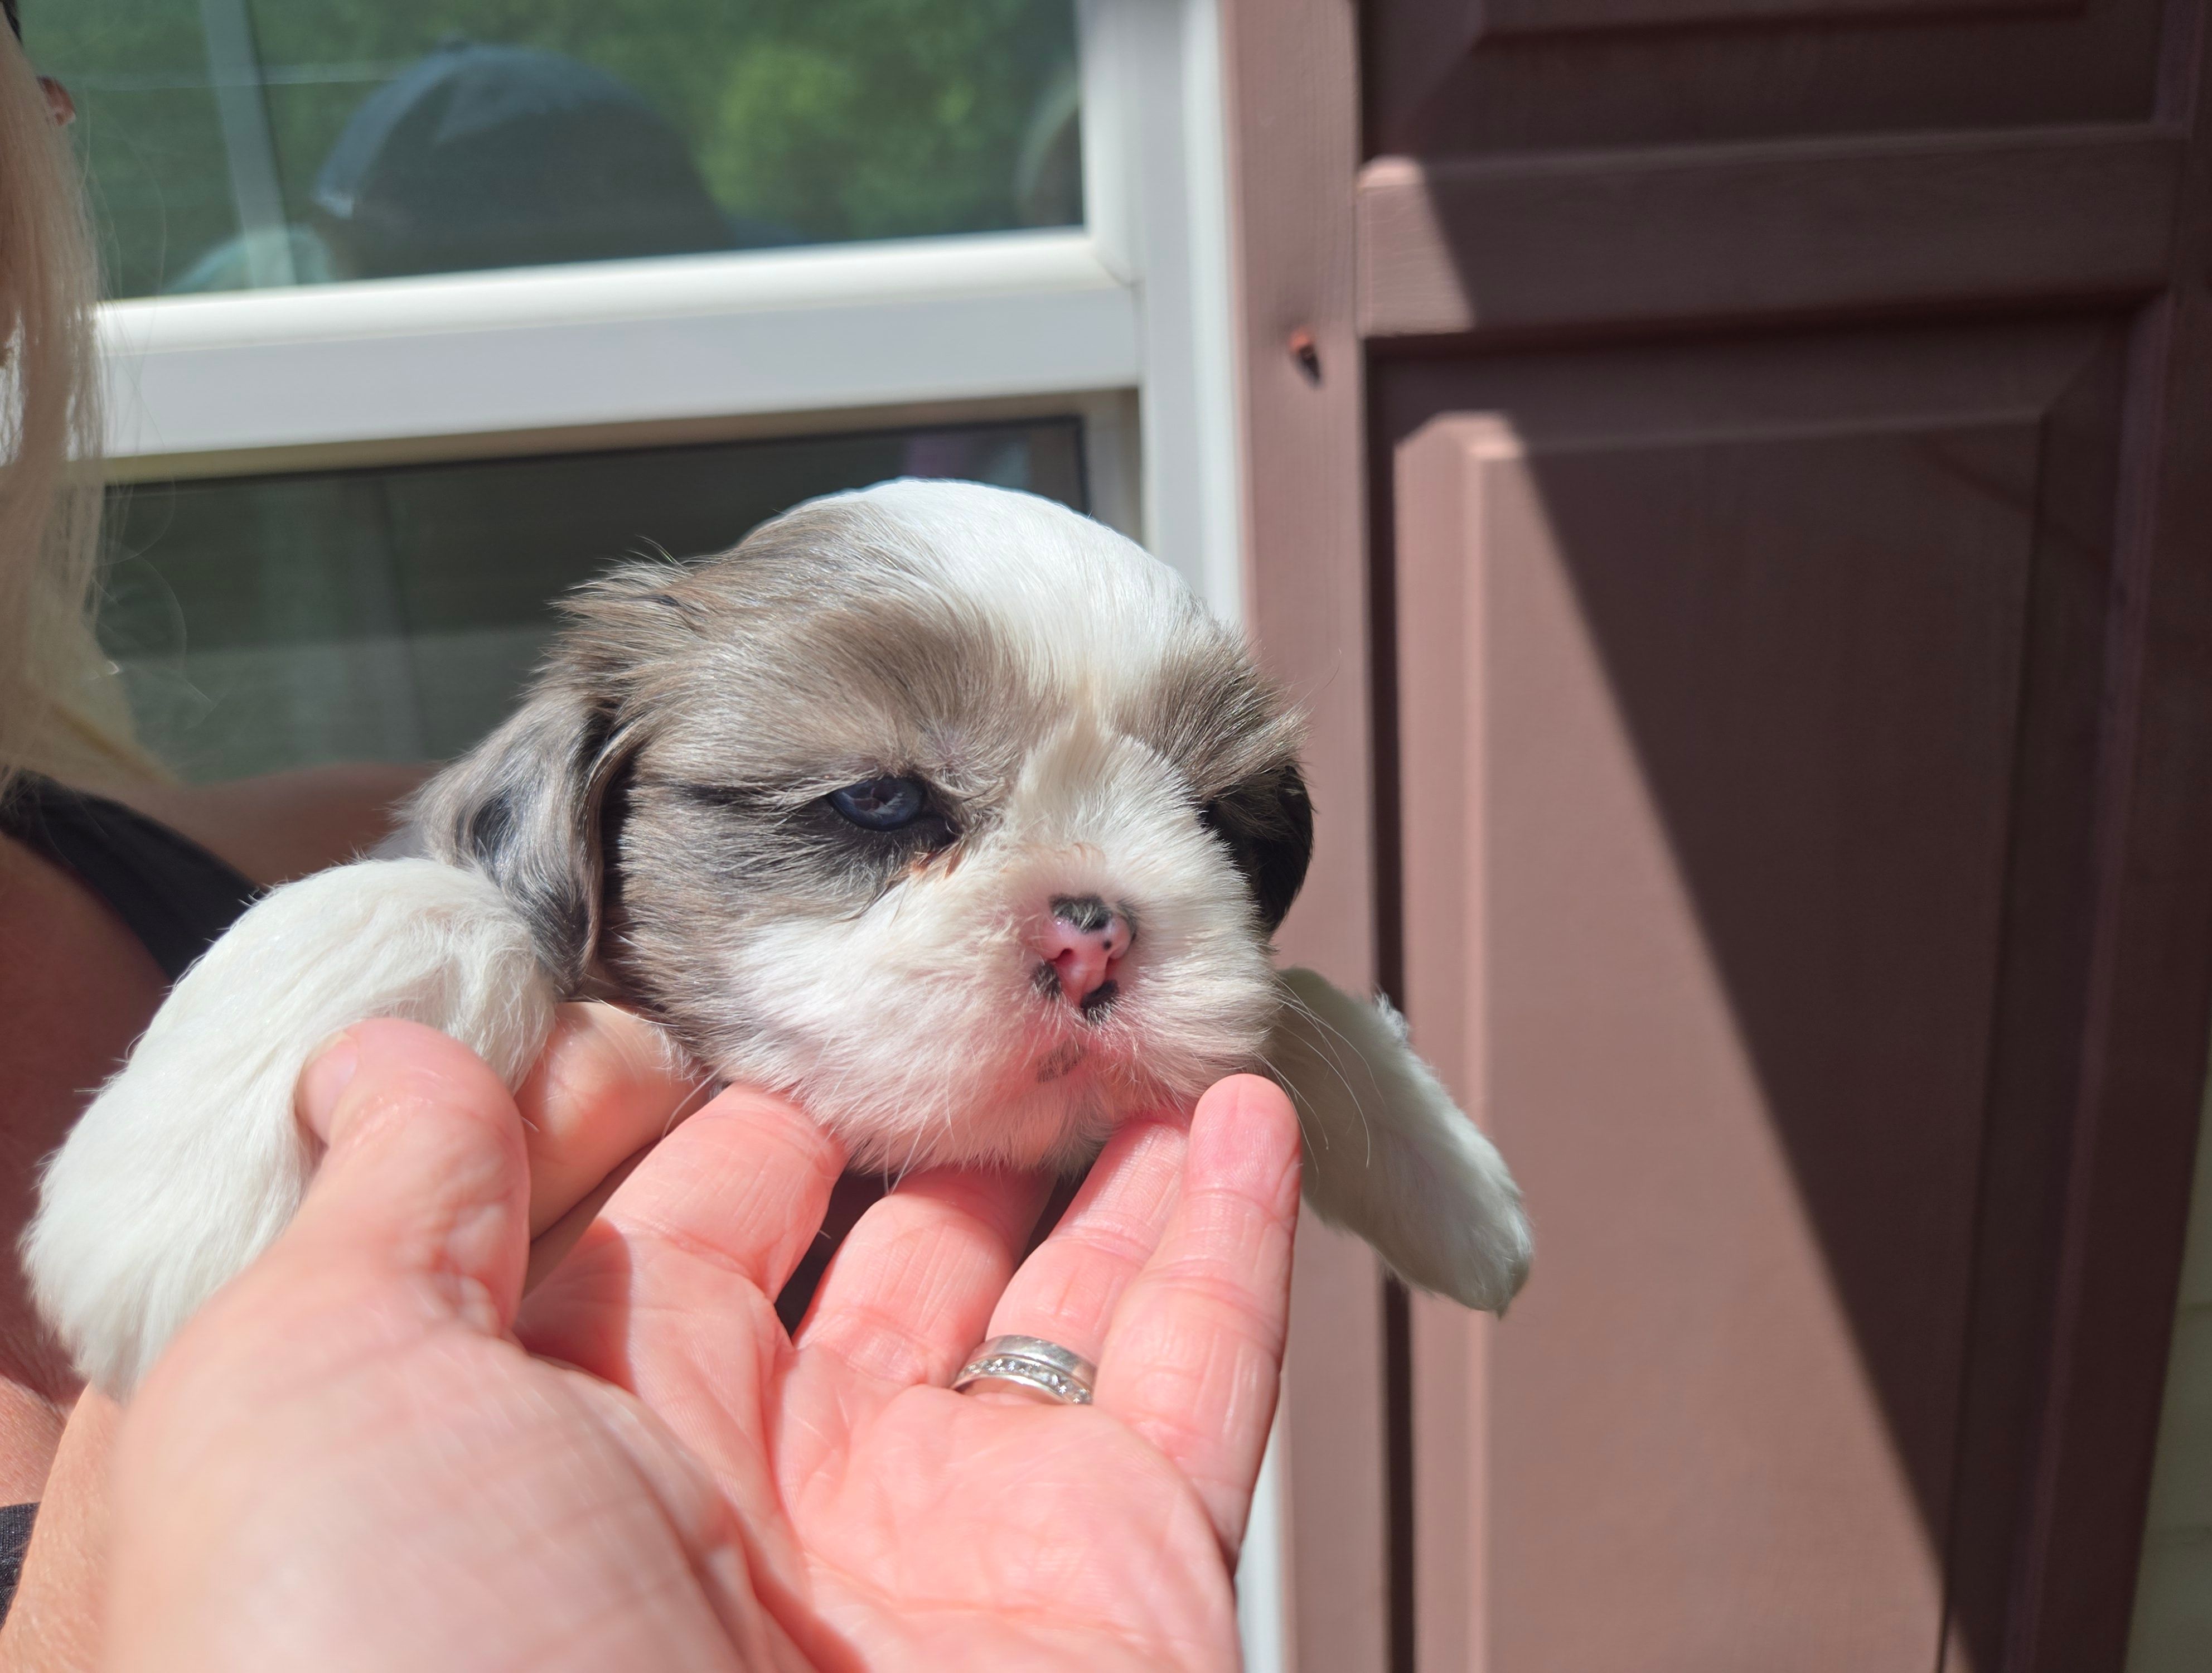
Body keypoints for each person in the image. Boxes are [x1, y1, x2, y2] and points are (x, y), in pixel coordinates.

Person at [0, 11, 1303, 1668]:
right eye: (884, 810)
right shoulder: (477, 851)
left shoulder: (309, 849)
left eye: (1206, 822)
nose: (1090, 925)